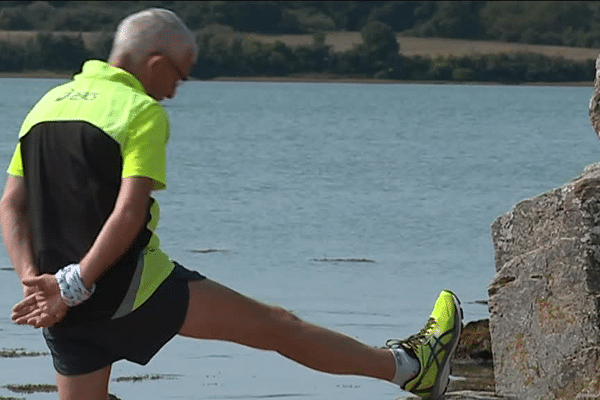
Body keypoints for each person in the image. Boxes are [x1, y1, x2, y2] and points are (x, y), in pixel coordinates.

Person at [0, 8, 462, 400]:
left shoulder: (46, 104)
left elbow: (11, 206)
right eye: (178, 75)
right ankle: (410, 367)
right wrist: (76, 283)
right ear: (155, 63)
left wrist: (35, 282)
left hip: (60, 306)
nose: (175, 90)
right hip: (128, 288)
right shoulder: (138, 112)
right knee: (279, 327)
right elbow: (130, 212)